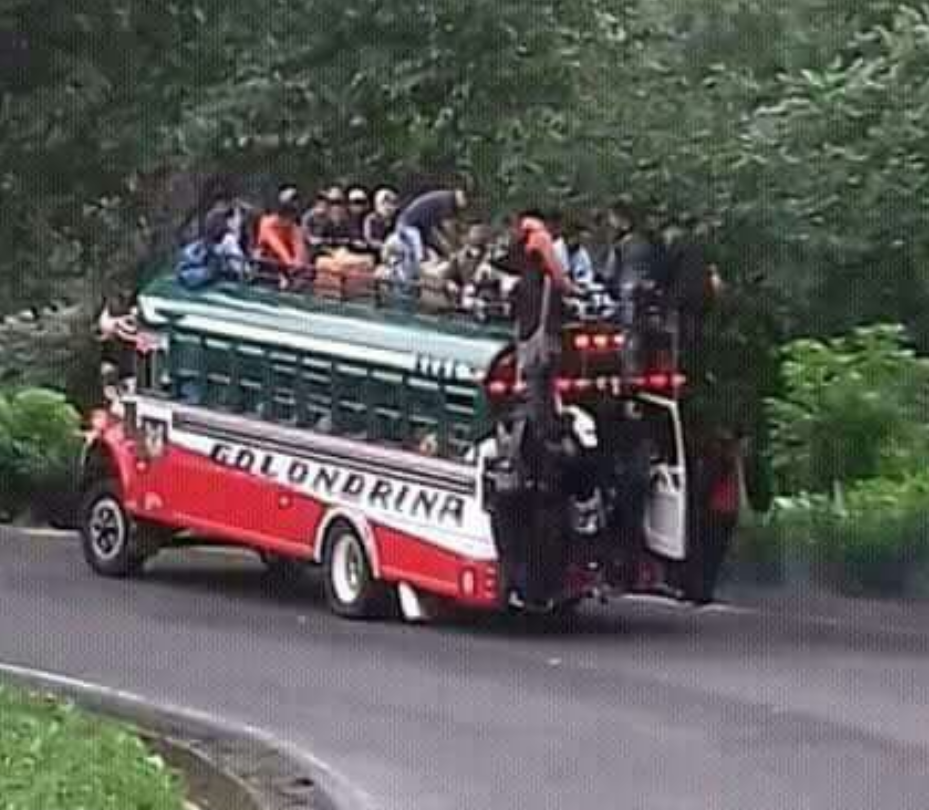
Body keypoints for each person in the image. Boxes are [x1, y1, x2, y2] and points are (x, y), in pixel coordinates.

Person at [393, 188, 468, 281]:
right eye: (466, 201)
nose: (465, 206)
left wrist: (449, 247)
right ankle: (407, 278)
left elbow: (440, 229)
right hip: (408, 226)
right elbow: (447, 227)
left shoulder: (445, 200)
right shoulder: (448, 200)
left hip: (419, 228)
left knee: (431, 255)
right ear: (460, 194)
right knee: (418, 256)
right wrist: (455, 247)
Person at [255, 186, 309, 287]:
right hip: (265, 265)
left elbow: (298, 245)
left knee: (303, 263)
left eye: (292, 214)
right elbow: (276, 245)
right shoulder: (267, 223)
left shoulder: (293, 227)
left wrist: (298, 261)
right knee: (265, 257)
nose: (289, 219)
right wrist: (289, 262)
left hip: (286, 268)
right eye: (288, 213)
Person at [553, 216, 596, 289]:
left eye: (580, 238)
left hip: (578, 286)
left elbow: (589, 271)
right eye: (576, 237)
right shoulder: (557, 248)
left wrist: (583, 281)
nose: (579, 240)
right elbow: (562, 274)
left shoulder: (581, 251)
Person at [363, 187, 399, 255]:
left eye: (392, 203)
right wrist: (384, 246)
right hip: (375, 252)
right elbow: (369, 239)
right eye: (384, 203)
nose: (388, 206)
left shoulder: (398, 218)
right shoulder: (371, 219)